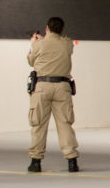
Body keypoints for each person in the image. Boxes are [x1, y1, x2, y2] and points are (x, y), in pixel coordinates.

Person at [26, 17, 80, 173]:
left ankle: (35, 161)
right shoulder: (67, 43)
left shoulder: (38, 44)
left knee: (38, 125)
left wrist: (34, 43)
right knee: (65, 124)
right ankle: (72, 161)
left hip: (42, 87)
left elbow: (30, 61)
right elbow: (59, 43)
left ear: (46, 28)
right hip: (63, 87)